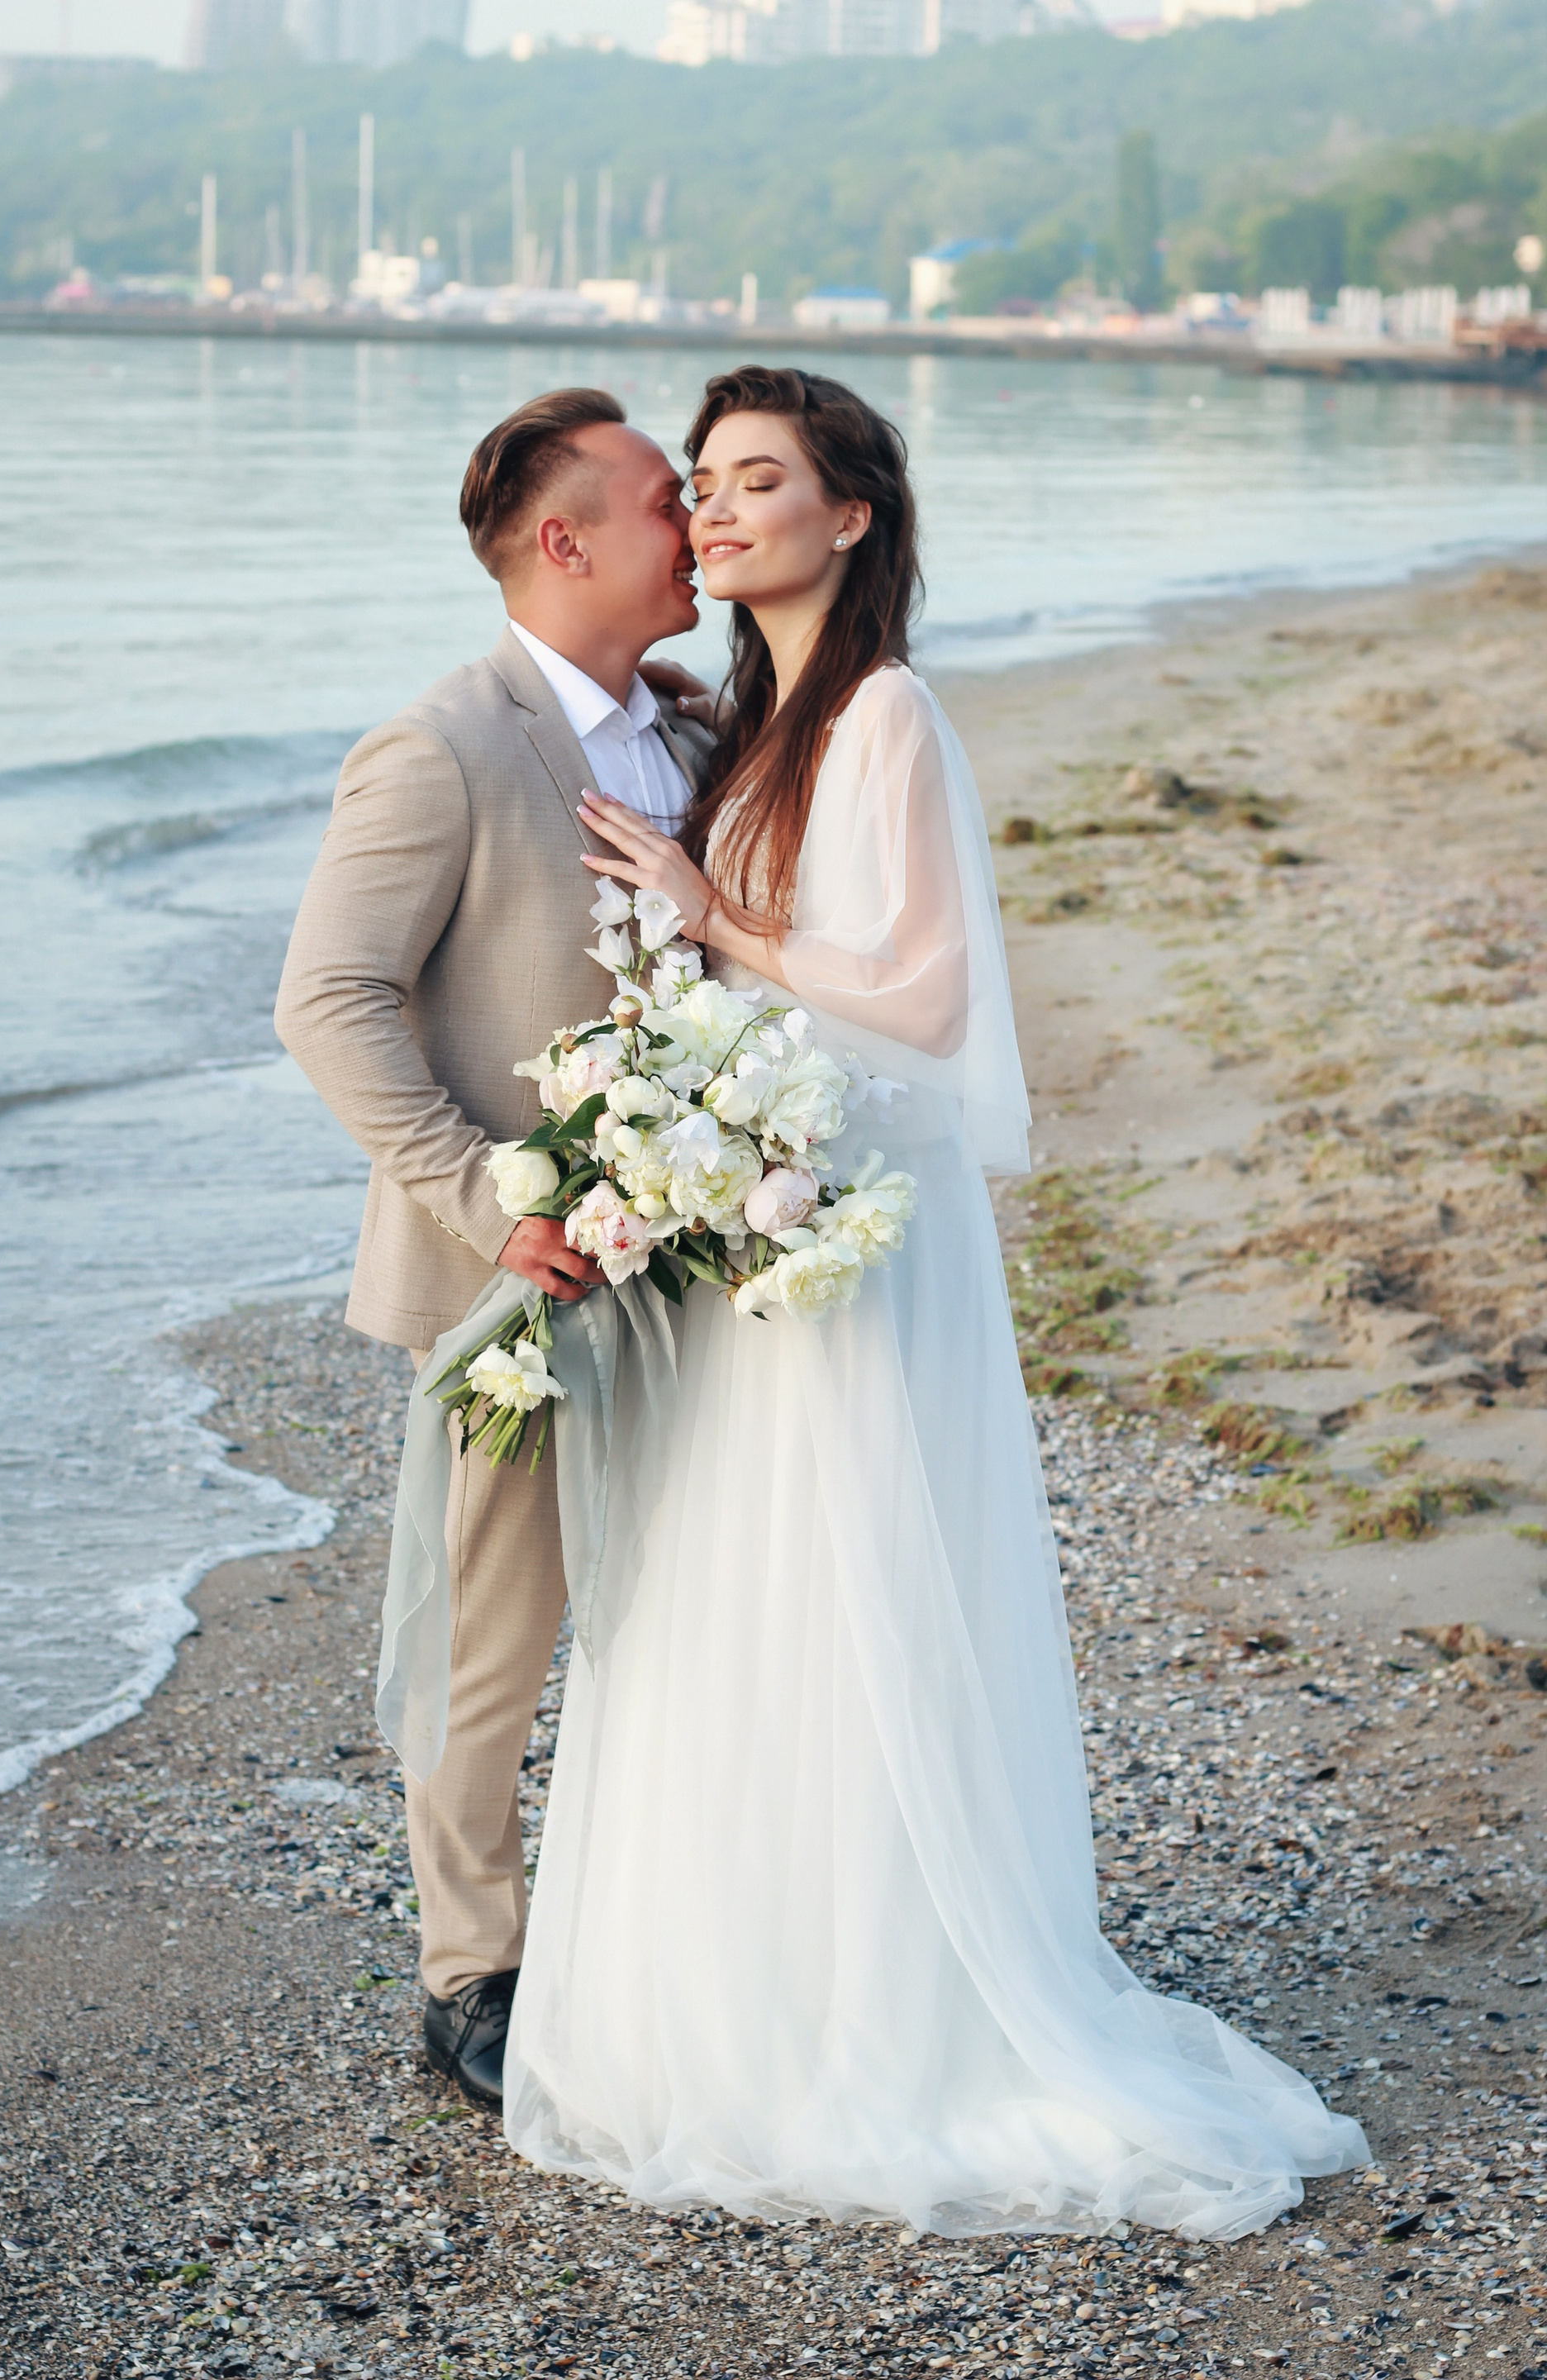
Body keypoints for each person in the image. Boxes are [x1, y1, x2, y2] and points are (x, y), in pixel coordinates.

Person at [502, 365, 1368, 2238]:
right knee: (753, 1586)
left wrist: (707, 911)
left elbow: (923, 995)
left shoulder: (883, 710)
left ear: (852, 515)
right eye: (701, 483)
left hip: (860, 1213)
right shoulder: (749, 717)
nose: (714, 511)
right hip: (777, 1203)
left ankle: (894, 2004)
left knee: (853, 1587)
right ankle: (762, 1986)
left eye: (756, 481)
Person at [274, 388, 713, 2109]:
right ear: (565, 538)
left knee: (682, 1603)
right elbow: (329, 999)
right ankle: (470, 1967)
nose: (699, 526)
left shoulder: (695, 730)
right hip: (511, 1284)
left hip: (696, 1267)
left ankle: (657, 1921)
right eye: (669, 499)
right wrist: (486, 1199)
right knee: (490, 1631)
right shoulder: (443, 745)